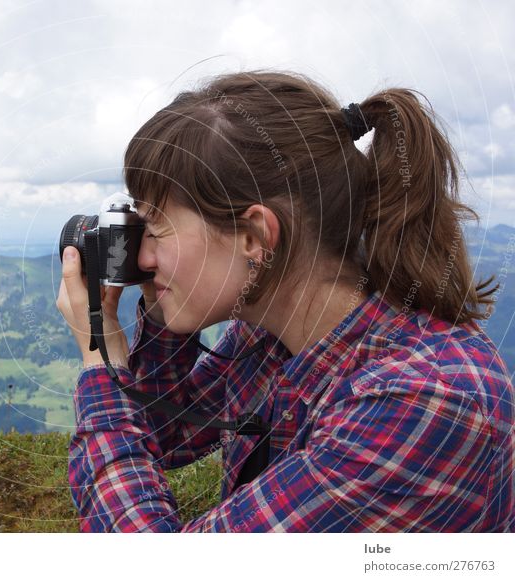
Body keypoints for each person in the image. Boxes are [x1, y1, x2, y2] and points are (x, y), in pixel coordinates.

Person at [55, 70, 515, 532]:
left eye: (155, 230)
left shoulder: (421, 401)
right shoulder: (270, 335)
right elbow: (163, 434)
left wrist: (99, 365)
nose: (143, 257)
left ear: (254, 237)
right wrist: (161, 310)